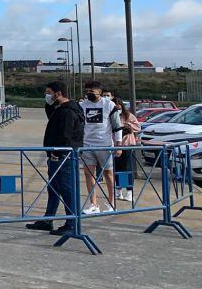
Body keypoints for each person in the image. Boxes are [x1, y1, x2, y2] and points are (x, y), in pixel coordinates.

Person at [27, 81, 84, 235]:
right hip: (59, 156)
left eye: (49, 93)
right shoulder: (63, 109)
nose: (47, 95)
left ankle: (72, 223)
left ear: (58, 93)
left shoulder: (67, 112)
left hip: (62, 157)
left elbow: (65, 136)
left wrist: (56, 154)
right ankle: (48, 219)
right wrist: (49, 104)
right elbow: (51, 117)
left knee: (66, 189)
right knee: (53, 189)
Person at [79, 82, 122, 213]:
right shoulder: (82, 105)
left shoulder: (109, 105)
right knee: (89, 174)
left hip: (105, 144)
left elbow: (117, 125)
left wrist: (119, 144)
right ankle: (93, 204)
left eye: (92, 91)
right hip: (87, 144)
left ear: (99, 91)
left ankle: (111, 203)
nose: (89, 93)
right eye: (87, 91)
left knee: (108, 174)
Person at [115, 99, 141, 202]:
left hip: (127, 145)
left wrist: (127, 126)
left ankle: (129, 192)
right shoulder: (112, 116)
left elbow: (138, 127)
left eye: (119, 108)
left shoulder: (128, 116)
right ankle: (118, 190)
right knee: (118, 169)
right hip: (116, 145)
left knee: (127, 169)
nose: (118, 110)